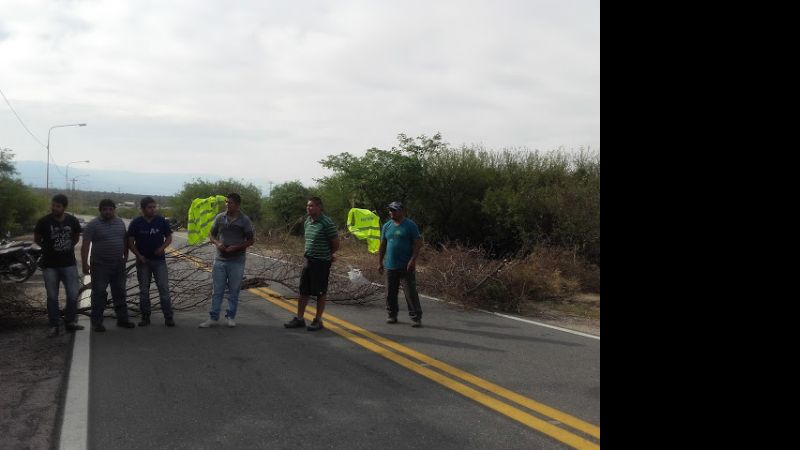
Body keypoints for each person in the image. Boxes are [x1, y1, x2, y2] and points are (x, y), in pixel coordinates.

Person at [199, 193, 254, 328]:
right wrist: (217, 243)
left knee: (234, 290)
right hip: (220, 260)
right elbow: (211, 234)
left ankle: (230, 316)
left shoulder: (244, 220)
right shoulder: (220, 218)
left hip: (237, 261)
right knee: (217, 290)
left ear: (238, 205)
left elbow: (251, 240)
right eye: (226, 202)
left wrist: (236, 247)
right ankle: (213, 317)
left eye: (230, 203)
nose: (227, 205)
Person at [284, 196, 339, 331]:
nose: (308, 208)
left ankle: (318, 320)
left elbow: (336, 244)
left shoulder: (327, 222)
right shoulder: (307, 221)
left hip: (321, 263)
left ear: (319, 207)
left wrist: (328, 254)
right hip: (308, 260)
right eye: (308, 206)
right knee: (304, 291)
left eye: (311, 206)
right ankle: (299, 319)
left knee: (320, 292)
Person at [34, 194, 84, 337]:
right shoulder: (43, 221)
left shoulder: (72, 220)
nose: (54, 208)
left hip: (69, 264)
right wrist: (48, 249)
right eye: (53, 205)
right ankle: (54, 325)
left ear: (64, 207)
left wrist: (66, 247)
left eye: (58, 206)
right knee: (52, 297)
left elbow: (75, 238)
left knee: (73, 294)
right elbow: (37, 239)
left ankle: (70, 322)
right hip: (50, 265)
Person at [81, 199, 135, 332]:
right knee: (99, 293)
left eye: (110, 209)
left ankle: (123, 320)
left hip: (118, 264)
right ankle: (97, 323)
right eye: (105, 209)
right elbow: (86, 245)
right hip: (99, 265)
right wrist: (84, 264)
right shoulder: (93, 224)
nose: (108, 212)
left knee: (120, 292)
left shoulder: (119, 222)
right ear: (100, 210)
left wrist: (126, 255)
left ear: (114, 210)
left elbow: (124, 239)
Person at [128, 196, 175, 327]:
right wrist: (138, 256)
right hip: (143, 262)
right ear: (143, 209)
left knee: (164, 289)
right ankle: (145, 317)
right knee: (144, 290)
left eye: (154, 207)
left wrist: (162, 248)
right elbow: (130, 242)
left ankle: (168, 317)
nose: (152, 209)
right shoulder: (136, 222)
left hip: (159, 261)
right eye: (149, 207)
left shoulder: (161, 221)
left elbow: (169, 237)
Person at [378, 201, 423, 327]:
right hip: (390, 265)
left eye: (394, 210)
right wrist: (380, 262)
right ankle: (392, 315)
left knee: (410, 293)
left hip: (406, 266)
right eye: (390, 210)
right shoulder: (386, 226)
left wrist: (413, 260)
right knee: (389, 293)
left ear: (401, 211)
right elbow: (383, 245)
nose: (391, 212)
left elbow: (417, 243)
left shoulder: (410, 225)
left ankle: (416, 317)